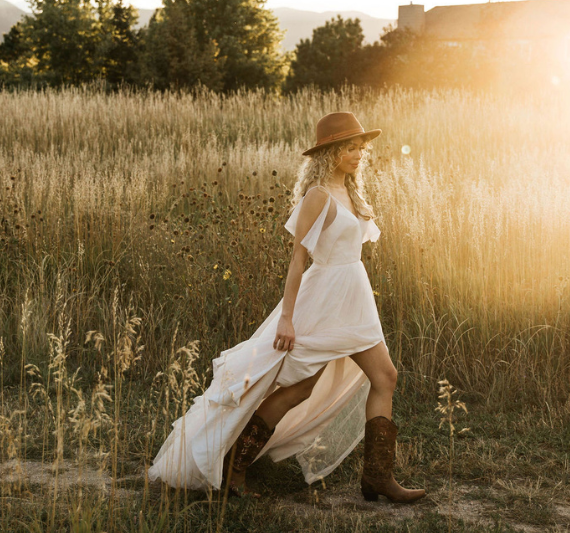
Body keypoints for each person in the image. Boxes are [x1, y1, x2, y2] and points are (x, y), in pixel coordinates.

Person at [147, 111, 424, 503]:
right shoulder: (319, 196)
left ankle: (378, 478)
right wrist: (288, 319)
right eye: (351, 147)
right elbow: (298, 260)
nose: (360, 153)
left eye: (361, 146)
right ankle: (234, 466)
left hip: (355, 296)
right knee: (299, 388)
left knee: (386, 377)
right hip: (324, 298)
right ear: (330, 153)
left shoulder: (353, 191)